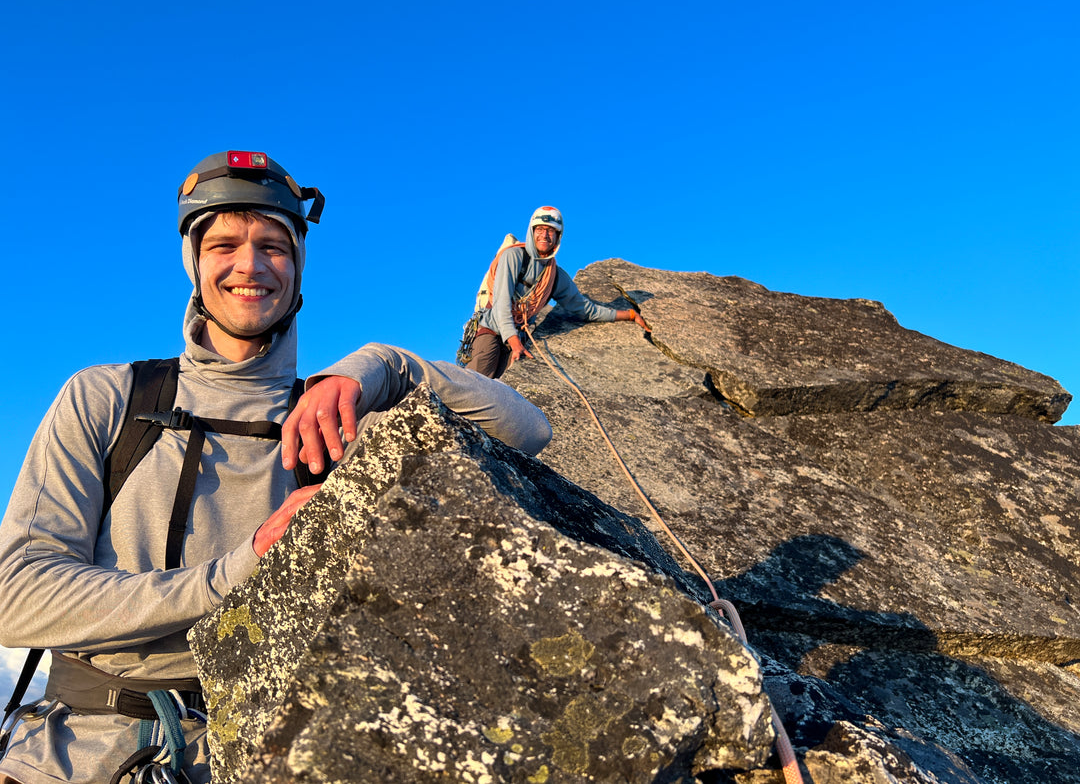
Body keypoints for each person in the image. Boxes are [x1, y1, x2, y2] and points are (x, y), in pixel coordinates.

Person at [0, 150, 551, 784]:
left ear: (298, 266)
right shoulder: (108, 398)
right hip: (75, 753)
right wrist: (239, 569)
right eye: (223, 244)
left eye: (275, 246)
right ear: (193, 262)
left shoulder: (330, 418)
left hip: (262, 746)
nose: (250, 266)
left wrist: (385, 364)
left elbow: (528, 431)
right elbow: (19, 597)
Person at [464, 206, 651, 379]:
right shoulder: (513, 257)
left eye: (551, 231)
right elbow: (502, 303)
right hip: (492, 329)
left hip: (518, 337)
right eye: (539, 229)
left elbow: (585, 309)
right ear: (531, 232)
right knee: (478, 384)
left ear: (558, 237)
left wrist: (630, 314)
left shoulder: (555, 277)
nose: (544, 235)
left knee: (504, 398)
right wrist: (514, 343)